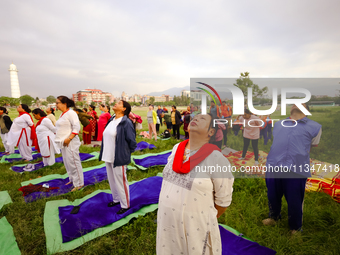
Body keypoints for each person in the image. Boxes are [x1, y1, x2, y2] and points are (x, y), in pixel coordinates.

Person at [156, 113, 234, 254]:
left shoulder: (217, 159)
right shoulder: (176, 149)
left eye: (202, 118)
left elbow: (223, 202)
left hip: (196, 228)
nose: (196, 119)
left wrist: (199, 217)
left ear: (211, 132)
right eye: (195, 117)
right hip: (167, 222)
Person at [263, 104, 322, 234]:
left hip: (296, 169)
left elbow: (311, 147)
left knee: (295, 199)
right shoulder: (278, 124)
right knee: (272, 194)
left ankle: (295, 228)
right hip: (274, 166)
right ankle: (274, 217)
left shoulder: (315, 127)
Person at [99, 100, 137, 214]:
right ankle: (116, 199)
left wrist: (124, 153)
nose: (115, 104)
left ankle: (125, 205)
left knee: (121, 180)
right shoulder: (112, 119)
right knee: (111, 179)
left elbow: (132, 142)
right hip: (108, 155)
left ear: (124, 108)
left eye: (119, 103)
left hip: (118, 157)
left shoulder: (126, 122)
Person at [55, 96, 84, 192]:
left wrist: (69, 138)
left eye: (57, 102)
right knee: (67, 162)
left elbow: (76, 127)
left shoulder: (71, 113)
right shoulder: (62, 114)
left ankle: (79, 183)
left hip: (70, 142)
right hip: (63, 142)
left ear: (64, 104)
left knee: (73, 162)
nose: (56, 105)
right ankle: (72, 179)